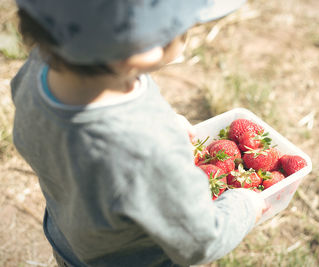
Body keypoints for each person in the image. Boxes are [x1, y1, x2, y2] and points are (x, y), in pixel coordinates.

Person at [11, 0, 267, 266]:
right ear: (145, 49)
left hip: (68, 242)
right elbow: (200, 241)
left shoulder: (37, 71)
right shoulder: (146, 151)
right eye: (187, 25)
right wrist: (245, 205)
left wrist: (161, 123)